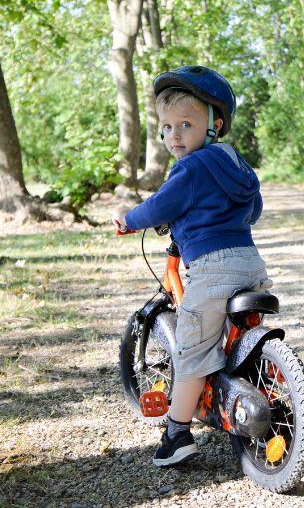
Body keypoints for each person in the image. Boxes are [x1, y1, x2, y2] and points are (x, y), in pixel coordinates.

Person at [113, 65, 269, 467]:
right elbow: (254, 208)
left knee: (191, 352)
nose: (175, 136)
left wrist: (130, 220)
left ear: (214, 125)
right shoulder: (236, 164)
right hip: (249, 261)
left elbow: (162, 204)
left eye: (185, 124)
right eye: (166, 127)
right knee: (231, 335)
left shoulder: (190, 168)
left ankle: (177, 434)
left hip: (212, 268)